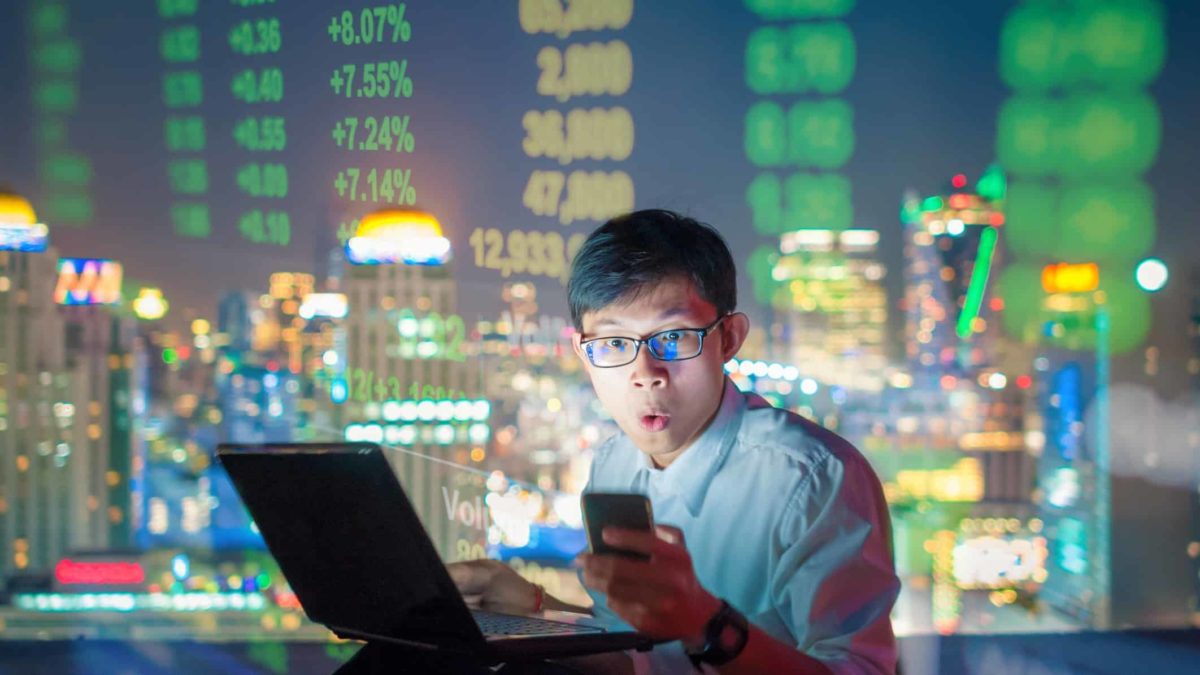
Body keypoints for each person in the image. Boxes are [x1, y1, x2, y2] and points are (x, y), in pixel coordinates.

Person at [450, 210, 900, 674]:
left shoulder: (812, 478)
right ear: (583, 356)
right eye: (613, 344)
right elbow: (637, 654)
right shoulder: (614, 464)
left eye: (673, 337)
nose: (646, 374)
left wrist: (706, 625)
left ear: (728, 338)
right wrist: (531, 605)